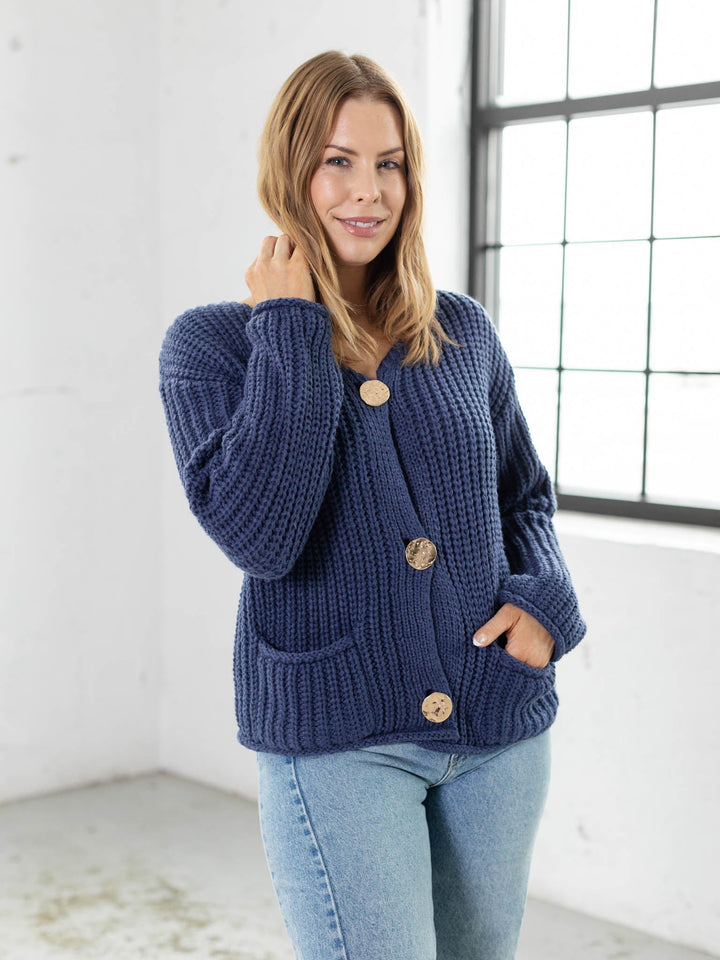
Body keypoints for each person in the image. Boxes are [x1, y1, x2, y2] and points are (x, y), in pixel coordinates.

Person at [158, 50, 586, 960]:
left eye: (388, 162)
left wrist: (543, 608)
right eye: (336, 161)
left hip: (497, 724)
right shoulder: (213, 348)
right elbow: (259, 535)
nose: (368, 191)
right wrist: (290, 328)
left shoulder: (462, 330)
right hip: (339, 739)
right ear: (290, 170)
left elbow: (527, 495)